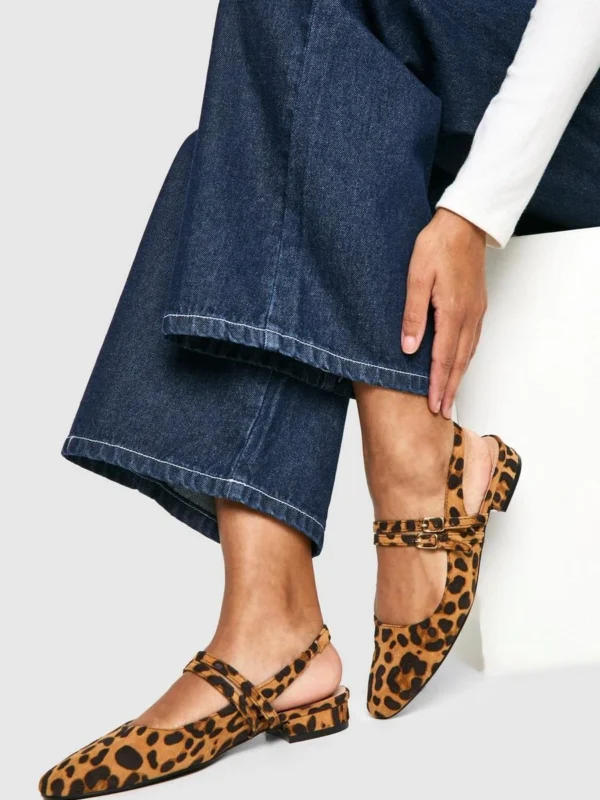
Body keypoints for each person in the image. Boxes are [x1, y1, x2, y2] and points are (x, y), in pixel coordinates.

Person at [40, 0, 600, 797]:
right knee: (265, 127)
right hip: (472, 84)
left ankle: (282, 612)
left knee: (258, 120)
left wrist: (474, 212)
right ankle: (325, 564)